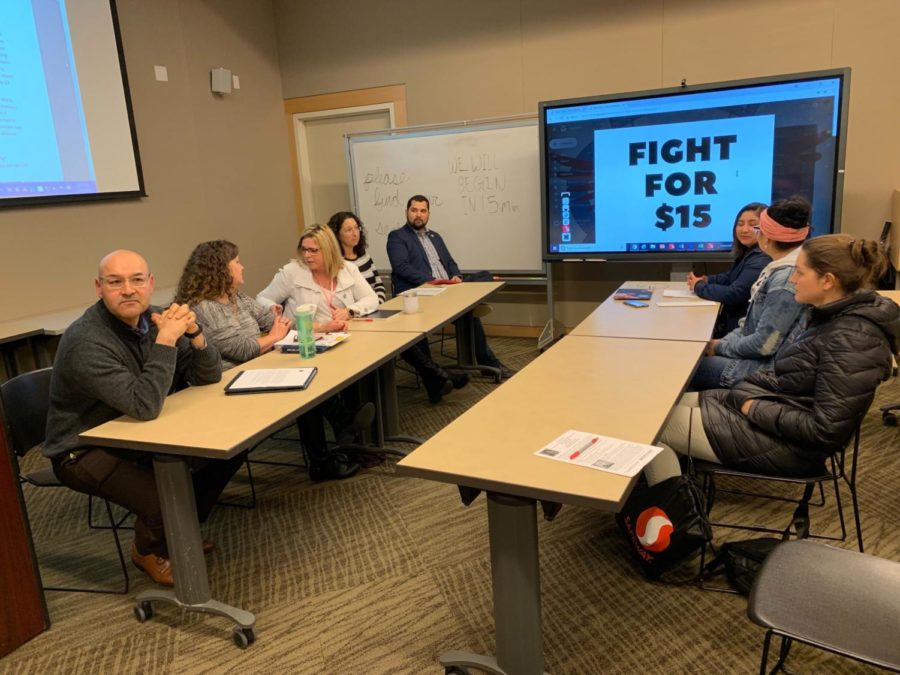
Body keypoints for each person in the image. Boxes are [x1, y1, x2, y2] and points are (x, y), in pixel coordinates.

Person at [43, 250, 246, 587]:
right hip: (84, 448)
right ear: (99, 288)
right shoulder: (85, 340)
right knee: (167, 498)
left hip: (141, 433)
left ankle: (177, 530)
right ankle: (149, 549)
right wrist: (166, 340)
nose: (128, 290)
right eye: (115, 282)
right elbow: (144, 404)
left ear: (150, 284)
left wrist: (195, 334)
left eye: (137, 280)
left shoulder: (152, 320)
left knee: (229, 449)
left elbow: (208, 377)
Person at [645, 234, 899, 485]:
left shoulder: (851, 338)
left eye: (800, 272)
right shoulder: (832, 317)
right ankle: (669, 495)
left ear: (827, 281)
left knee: (650, 426)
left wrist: (751, 405)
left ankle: (669, 516)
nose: (792, 279)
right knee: (658, 406)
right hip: (776, 416)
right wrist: (747, 395)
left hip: (788, 447)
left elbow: (825, 430)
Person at [179, 239, 364, 482]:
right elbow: (241, 349)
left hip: (254, 371)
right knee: (302, 391)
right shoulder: (205, 307)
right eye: (237, 262)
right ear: (221, 269)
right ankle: (330, 450)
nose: (242, 267)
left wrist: (320, 327)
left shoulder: (236, 298)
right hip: (225, 384)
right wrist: (274, 337)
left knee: (309, 375)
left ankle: (342, 432)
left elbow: (273, 323)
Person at [327, 210, 469, 403]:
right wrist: (362, 308)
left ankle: (436, 378)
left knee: (410, 333)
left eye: (357, 228)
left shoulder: (363, 256)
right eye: (348, 230)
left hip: (375, 310)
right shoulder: (336, 264)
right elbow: (342, 298)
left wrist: (376, 302)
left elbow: (378, 284)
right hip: (355, 317)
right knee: (400, 340)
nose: (355, 233)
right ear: (337, 234)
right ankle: (437, 376)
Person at [386, 194, 514, 379]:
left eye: (423, 211)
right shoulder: (398, 237)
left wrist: (455, 276)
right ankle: (435, 377)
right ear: (407, 212)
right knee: (466, 308)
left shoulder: (435, 236)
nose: (418, 215)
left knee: (473, 302)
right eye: (414, 210)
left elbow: (450, 262)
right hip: (422, 295)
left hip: (448, 290)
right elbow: (402, 268)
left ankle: (487, 364)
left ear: (428, 214)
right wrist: (433, 281)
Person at [690, 197, 811, 390]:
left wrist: (719, 347)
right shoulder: (778, 267)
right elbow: (750, 326)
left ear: (766, 237)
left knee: (689, 366)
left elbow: (764, 344)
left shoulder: (785, 280)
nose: (748, 231)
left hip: (767, 370)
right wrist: (720, 343)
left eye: (756, 227)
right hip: (759, 358)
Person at [257, 224, 379, 330]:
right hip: (306, 340)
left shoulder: (347, 269)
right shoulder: (291, 272)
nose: (307, 255)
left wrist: (349, 311)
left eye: (313, 250)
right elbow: (261, 299)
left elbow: (372, 299)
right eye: (304, 249)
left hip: (342, 335)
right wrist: (271, 306)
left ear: (328, 250)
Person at [687, 203, 770, 337]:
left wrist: (699, 286)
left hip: (741, 333)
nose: (744, 229)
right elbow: (731, 277)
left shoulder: (762, 258)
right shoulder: (749, 251)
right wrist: (707, 280)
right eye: (740, 224)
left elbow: (734, 294)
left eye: (752, 224)